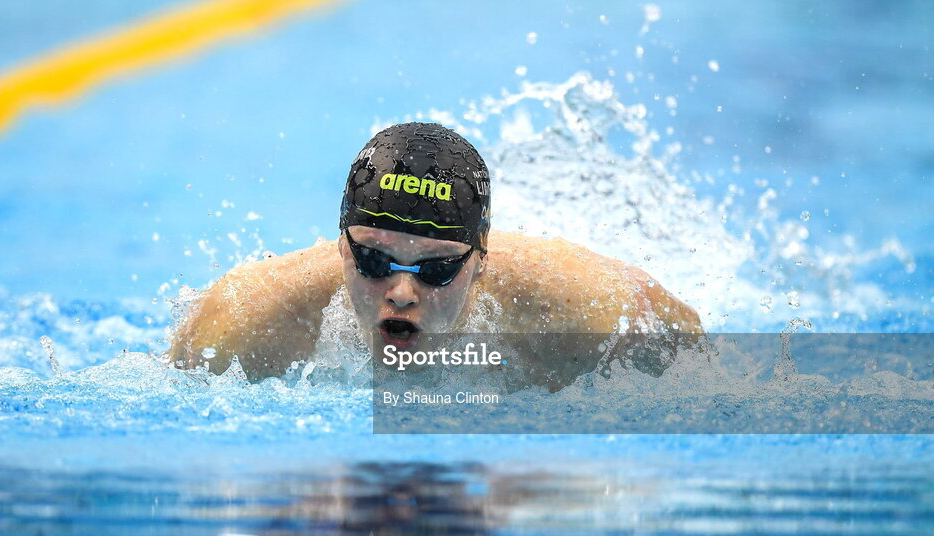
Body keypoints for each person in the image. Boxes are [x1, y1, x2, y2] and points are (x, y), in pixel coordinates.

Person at [169, 122, 702, 384]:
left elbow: (702, 364)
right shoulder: (243, 324)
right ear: (340, 248)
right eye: (375, 261)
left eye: (439, 268)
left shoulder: (587, 314)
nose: (402, 292)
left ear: (481, 262)